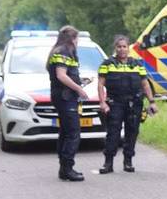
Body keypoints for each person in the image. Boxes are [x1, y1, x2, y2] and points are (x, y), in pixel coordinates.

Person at [97, 35, 157, 174]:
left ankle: (128, 161)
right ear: (115, 48)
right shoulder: (107, 64)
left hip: (134, 103)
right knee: (113, 133)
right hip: (115, 103)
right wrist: (102, 102)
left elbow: (145, 83)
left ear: (128, 48)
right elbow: (100, 84)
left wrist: (152, 102)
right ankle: (108, 163)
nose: (122, 49)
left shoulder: (137, 64)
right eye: (119, 47)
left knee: (132, 132)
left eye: (124, 46)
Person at [48, 25, 89, 183]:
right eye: (77, 38)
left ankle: (64, 168)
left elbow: (65, 75)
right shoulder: (64, 51)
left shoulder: (58, 51)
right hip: (65, 97)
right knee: (73, 133)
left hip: (62, 96)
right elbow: (61, 75)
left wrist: (79, 81)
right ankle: (67, 168)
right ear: (72, 39)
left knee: (65, 132)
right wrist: (79, 88)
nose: (77, 42)